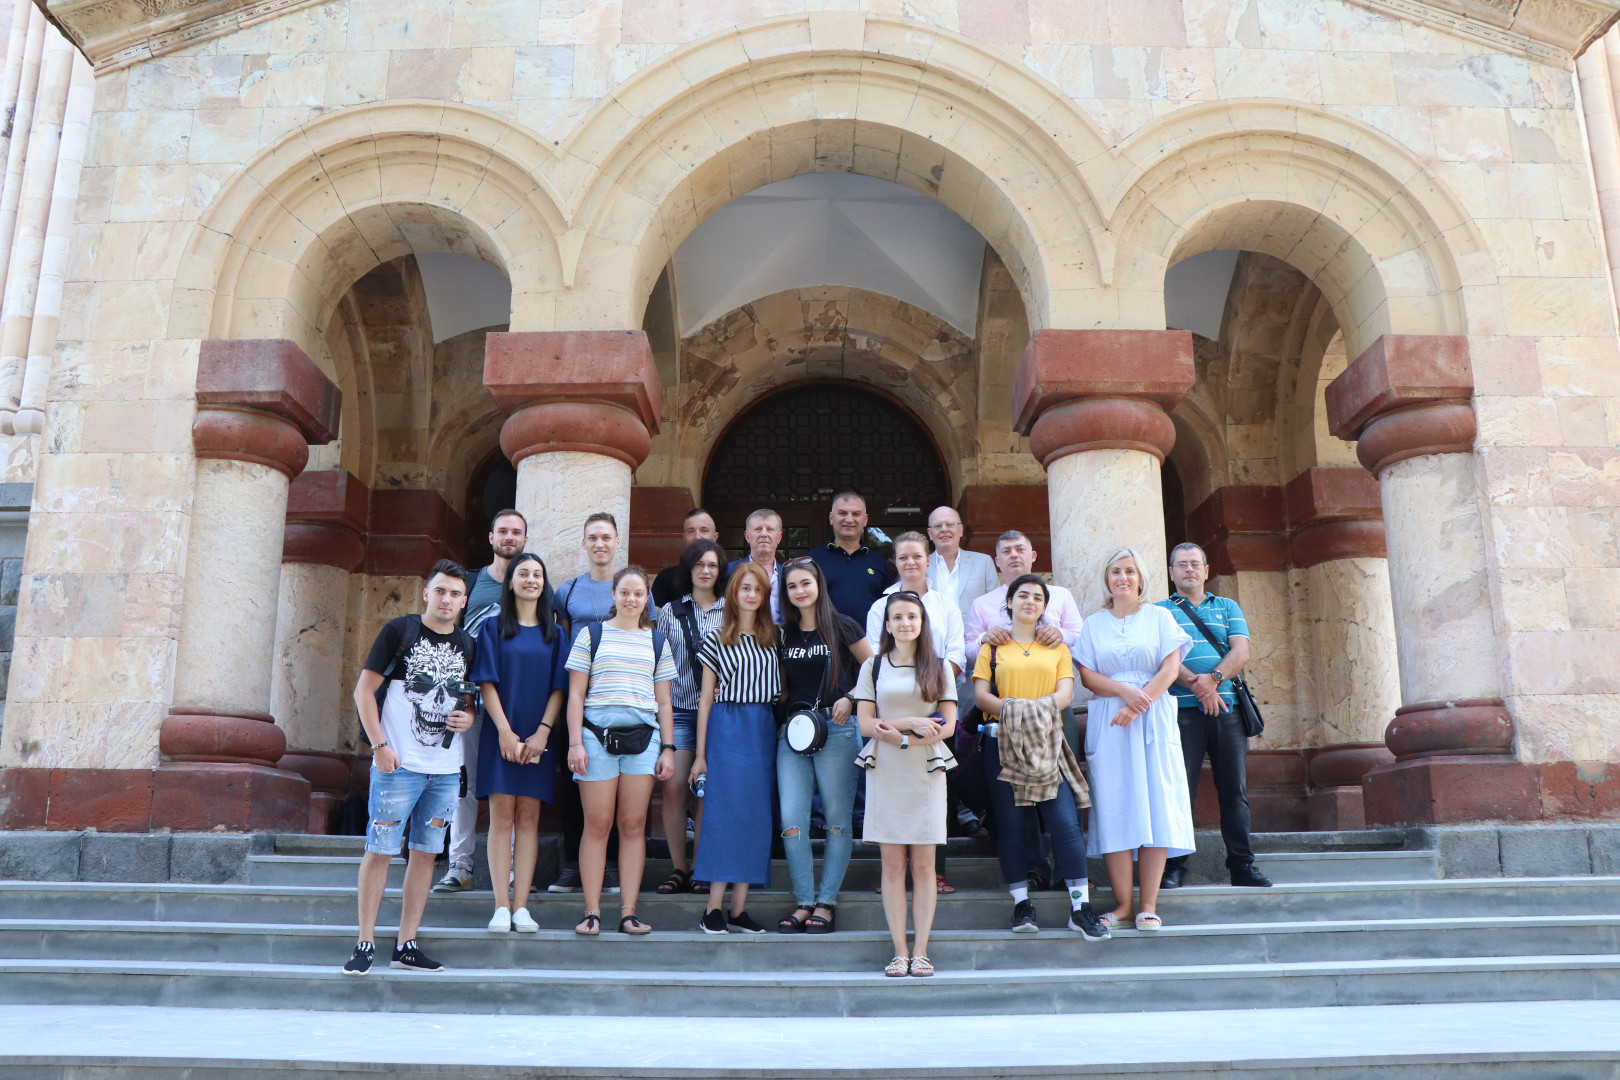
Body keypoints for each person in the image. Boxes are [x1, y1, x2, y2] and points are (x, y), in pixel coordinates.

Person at [342, 560, 477, 976]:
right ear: (426, 593)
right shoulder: (399, 632)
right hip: (397, 763)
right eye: (440, 591)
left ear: (464, 600)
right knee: (379, 849)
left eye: (455, 594)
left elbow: (465, 701)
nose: (447, 599)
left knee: (426, 854)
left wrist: (467, 718)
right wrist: (379, 745)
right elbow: (364, 691)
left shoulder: (468, 645)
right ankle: (365, 942)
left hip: (444, 768)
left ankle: (407, 943)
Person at [972, 574, 1109, 941]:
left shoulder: (1057, 648)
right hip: (1002, 744)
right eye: (1022, 596)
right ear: (1010, 603)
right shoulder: (993, 648)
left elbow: (1065, 694)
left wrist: (1028, 713)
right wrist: (1018, 712)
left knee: (1064, 823)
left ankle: (1080, 908)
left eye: (1037, 597)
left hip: (1050, 744)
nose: (1029, 602)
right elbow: (982, 696)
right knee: (1013, 825)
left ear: (1045, 607)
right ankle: (1021, 904)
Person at [1076, 548, 1195, 933]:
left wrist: (1140, 701)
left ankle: (1148, 903)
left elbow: (1171, 666)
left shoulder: (1159, 616)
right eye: (1115, 571)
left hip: (1154, 717)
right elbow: (1088, 677)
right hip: (1110, 719)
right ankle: (1123, 903)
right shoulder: (1094, 624)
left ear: (1141, 578)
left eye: (1129, 571)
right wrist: (1126, 696)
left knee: (1155, 802)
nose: (1122, 577)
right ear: (1106, 580)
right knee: (1115, 804)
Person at [563, 566, 678, 936]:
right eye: (624, 592)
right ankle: (592, 911)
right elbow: (576, 694)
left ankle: (628, 912)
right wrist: (575, 742)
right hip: (596, 738)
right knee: (596, 825)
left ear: (648, 599)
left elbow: (664, 703)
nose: (631, 599)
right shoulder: (590, 635)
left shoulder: (657, 641)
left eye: (638, 593)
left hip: (644, 741)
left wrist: (669, 748)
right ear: (613, 595)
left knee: (632, 826)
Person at [852, 592, 957, 977]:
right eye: (898, 617)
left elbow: (948, 723)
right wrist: (909, 723)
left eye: (912, 616)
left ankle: (922, 950)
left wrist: (904, 734)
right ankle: (899, 951)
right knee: (893, 865)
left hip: (926, 768)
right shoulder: (874, 666)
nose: (905, 623)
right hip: (886, 767)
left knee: (925, 865)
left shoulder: (939, 666)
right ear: (888, 624)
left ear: (922, 622)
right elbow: (865, 724)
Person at [1157, 543, 1271, 890]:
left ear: (1206, 570)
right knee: (1180, 791)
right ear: (1172, 572)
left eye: (1195, 564)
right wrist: (1199, 688)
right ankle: (1174, 866)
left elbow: (1242, 650)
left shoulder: (1227, 606)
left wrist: (1213, 680)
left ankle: (1242, 866)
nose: (1189, 569)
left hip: (1229, 712)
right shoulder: (1160, 612)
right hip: (1181, 712)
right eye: (1181, 565)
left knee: (1234, 791)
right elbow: (1163, 656)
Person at [470, 552, 567, 932]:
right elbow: (486, 682)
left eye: (537, 574)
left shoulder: (556, 633)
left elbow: (561, 688)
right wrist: (506, 732)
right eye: (523, 573)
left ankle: (522, 906)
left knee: (529, 818)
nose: (531, 579)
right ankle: (499, 904)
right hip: (501, 732)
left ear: (544, 584)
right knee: (501, 818)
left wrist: (543, 732)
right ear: (509, 582)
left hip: (539, 735)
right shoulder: (493, 628)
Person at [775, 557, 873, 934]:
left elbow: (874, 667)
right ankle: (803, 901)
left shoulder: (843, 625)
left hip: (837, 729)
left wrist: (851, 695)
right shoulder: (784, 634)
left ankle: (826, 903)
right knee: (792, 821)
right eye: (792, 586)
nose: (800, 591)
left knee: (836, 822)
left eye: (805, 583)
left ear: (819, 586)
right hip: (793, 732)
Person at [863, 531, 965, 892]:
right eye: (903, 557)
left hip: (936, 702)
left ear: (928, 559)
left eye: (917, 557)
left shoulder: (945, 604)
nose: (910, 563)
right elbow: (876, 654)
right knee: (890, 792)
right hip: (890, 704)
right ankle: (893, 873)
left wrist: (933, 688)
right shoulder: (881, 606)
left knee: (934, 787)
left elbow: (955, 652)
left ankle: (933, 871)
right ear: (896, 560)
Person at [435, 509, 527, 895]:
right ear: (490, 537)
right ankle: (460, 865)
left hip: (517, 702)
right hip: (469, 701)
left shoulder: (534, 584)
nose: (509, 537)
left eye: (516, 532)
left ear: (524, 540)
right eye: (502, 531)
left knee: (512, 788)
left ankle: (508, 873)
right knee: (465, 784)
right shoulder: (470, 584)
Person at [690, 562, 781, 935]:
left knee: (755, 816)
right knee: (723, 813)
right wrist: (700, 754)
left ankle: (739, 910)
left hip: (762, 727)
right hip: (726, 727)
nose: (751, 595)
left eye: (757, 590)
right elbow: (704, 701)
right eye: (745, 588)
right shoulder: (716, 637)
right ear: (733, 592)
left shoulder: (774, 637)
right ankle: (712, 908)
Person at [550, 512, 623, 895]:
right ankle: (570, 866)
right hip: (578, 700)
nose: (599, 544)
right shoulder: (567, 591)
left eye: (606, 537)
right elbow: (560, 642)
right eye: (592, 537)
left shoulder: (630, 588)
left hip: (621, 700)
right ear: (584, 544)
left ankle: (609, 865)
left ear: (616, 542)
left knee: (614, 786)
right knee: (574, 780)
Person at [651, 538, 728, 894]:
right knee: (674, 789)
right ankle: (678, 867)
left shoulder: (732, 611)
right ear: (689, 570)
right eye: (699, 565)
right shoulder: (669, 612)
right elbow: (659, 665)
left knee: (707, 792)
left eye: (712, 565)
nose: (706, 571)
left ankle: (701, 866)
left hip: (720, 713)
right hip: (680, 711)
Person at [808, 491, 893, 623]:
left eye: (856, 514)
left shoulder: (878, 562)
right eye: (842, 513)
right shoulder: (812, 560)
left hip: (870, 641)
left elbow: (889, 607)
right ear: (831, 518)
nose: (849, 519)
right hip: (825, 641)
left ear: (865, 520)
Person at [926, 505, 999, 628]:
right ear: (930, 533)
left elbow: (995, 605)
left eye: (950, 524)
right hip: (933, 642)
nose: (944, 529)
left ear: (960, 530)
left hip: (974, 640)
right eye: (938, 526)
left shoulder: (983, 562)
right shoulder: (921, 566)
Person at [652, 508, 719, 609]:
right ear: (684, 537)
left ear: (715, 537)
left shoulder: (728, 577)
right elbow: (655, 619)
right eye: (691, 531)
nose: (697, 537)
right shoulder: (665, 577)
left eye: (704, 530)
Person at [727, 508, 785, 623]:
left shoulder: (788, 575)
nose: (764, 534)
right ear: (747, 536)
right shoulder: (729, 571)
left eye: (770, 529)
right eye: (758, 529)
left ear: (779, 537)